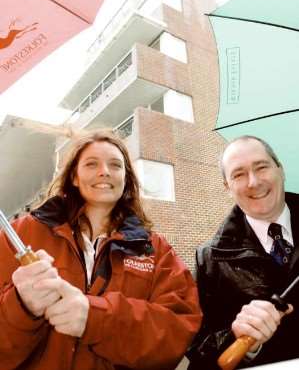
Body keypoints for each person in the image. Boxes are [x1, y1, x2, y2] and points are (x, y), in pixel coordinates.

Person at [0, 129, 201, 370]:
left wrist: (96, 319)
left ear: (126, 179)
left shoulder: (156, 250)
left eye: (115, 165)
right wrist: (21, 306)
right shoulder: (20, 234)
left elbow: (176, 333)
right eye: (91, 164)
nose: (104, 171)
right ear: (74, 176)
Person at [187, 135, 299, 369]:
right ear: (228, 187)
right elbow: (200, 349)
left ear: (280, 169)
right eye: (239, 174)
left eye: (261, 167)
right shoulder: (209, 259)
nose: (253, 182)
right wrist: (238, 337)